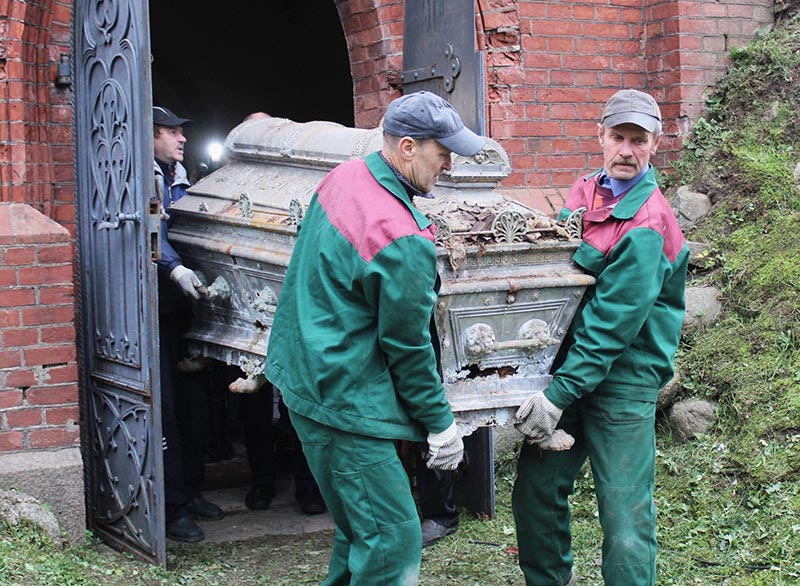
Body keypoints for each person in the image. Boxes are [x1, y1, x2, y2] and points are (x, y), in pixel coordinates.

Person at [263, 91, 484, 584]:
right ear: (407, 147)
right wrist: (440, 425)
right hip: (344, 399)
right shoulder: (401, 238)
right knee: (391, 539)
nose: (449, 164)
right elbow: (408, 348)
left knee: (360, 531)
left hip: (307, 375)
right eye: (442, 152)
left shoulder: (346, 177)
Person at [511, 89, 689, 586]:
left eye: (639, 140)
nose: (627, 150)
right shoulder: (585, 191)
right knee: (536, 492)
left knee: (624, 517)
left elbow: (611, 330)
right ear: (601, 137)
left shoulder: (649, 224)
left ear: (655, 143)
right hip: (568, 369)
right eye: (618, 137)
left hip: (622, 381)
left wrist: (555, 397)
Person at [153, 106, 225, 543]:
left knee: (196, 405)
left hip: (188, 310)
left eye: (182, 132)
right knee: (167, 412)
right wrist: (176, 268)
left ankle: (192, 488)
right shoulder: (141, 175)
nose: (181, 138)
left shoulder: (181, 177)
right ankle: (172, 505)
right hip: (155, 309)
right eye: (171, 132)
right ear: (151, 135)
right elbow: (150, 231)